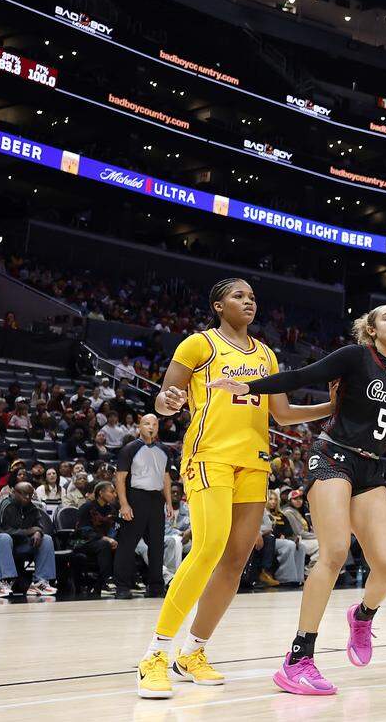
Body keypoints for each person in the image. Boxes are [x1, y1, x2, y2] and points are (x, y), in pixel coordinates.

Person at [208, 303, 386, 696]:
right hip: (333, 455)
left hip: (371, 469)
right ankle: (298, 659)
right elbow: (301, 375)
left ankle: (362, 616)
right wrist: (250, 387)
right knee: (334, 552)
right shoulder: (355, 356)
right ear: (370, 329)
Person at [137, 279, 335, 700]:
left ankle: (193, 652)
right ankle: (155, 654)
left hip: (254, 462)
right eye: (238, 296)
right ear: (218, 305)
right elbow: (163, 397)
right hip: (210, 456)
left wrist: (331, 407)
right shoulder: (198, 345)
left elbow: (281, 415)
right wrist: (168, 403)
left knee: (235, 560)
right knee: (207, 549)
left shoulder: (266, 354)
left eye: (252, 297)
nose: (248, 301)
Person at [115, 414, 173, 600]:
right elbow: (120, 478)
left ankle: (156, 586)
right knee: (127, 544)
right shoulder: (129, 449)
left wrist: (169, 503)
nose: (151, 427)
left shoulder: (164, 449)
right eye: (147, 423)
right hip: (135, 498)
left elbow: (166, 478)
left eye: (155, 424)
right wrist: (124, 504)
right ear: (139, 426)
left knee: (157, 546)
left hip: (157, 500)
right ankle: (122, 586)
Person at [0, 481, 59, 597]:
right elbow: (1, 529)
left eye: (30, 494)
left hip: (16, 544)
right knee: (5, 538)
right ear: (14, 492)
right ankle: (0, 583)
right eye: (24, 494)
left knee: (46, 539)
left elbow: (39, 526)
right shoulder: (4, 505)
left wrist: (38, 532)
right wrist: (29, 531)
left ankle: (40, 582)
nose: (28, 497)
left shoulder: (32, 507)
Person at [74, 481, 119, 591]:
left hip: (103, 542)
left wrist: (114, 539)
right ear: (101, 493)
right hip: (83, 541)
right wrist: (105, 538)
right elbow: (82, 530)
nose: (115, 494)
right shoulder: (87, 507)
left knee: (123, 543)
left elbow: (114, 528)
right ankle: (106, 581)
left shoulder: (111, 509)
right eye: (112, 492)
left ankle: (128, 580)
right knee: (104, 544)